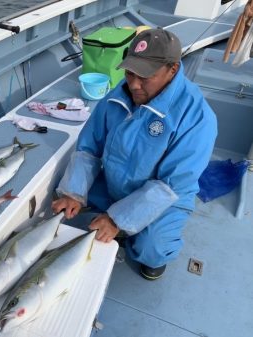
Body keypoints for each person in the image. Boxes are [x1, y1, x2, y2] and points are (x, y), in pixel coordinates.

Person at [52, 28, 217, 280]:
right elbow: (89, 146)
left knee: (151, 250)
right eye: (130, 72)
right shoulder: (119, 95)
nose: (134, 84)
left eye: (145, 76)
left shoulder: (198, 118)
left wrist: (117, 219)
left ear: (172, 69)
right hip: (114, 182)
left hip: (166, 197)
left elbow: (170, 184)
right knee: (63, 205)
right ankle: (118, 216)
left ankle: (142, 233)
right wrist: (73, 192)